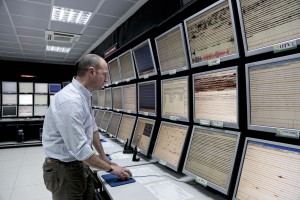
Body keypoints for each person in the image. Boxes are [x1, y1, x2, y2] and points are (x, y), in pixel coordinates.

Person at [42, 54, 132, 200]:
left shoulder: (84, 95)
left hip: (79, 164)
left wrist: (104, 158)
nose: (106, 79)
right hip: (64, 169)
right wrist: (111, 169)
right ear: (91, 72)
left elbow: (92, 127)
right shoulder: (70, 101)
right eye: (104, 74)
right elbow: (81, 150)